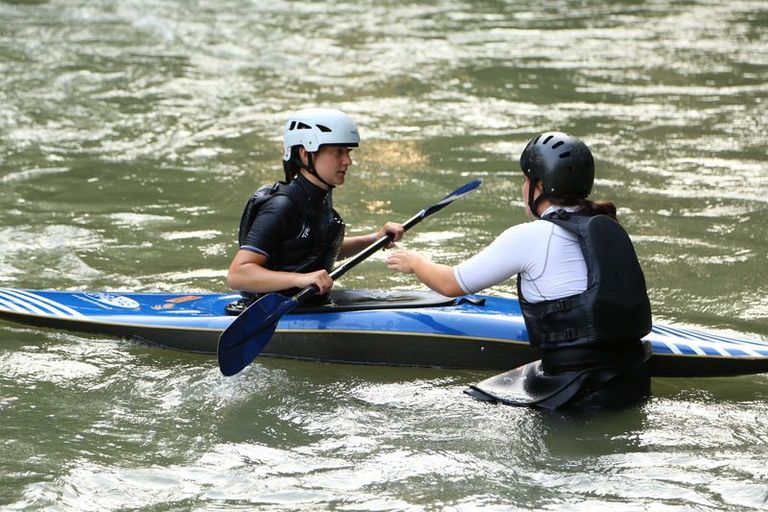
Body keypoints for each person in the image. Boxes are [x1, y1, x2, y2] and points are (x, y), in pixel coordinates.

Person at [386, 132, 653, 410]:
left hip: (577, 393)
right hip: (632, 375)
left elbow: (450, 284)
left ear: (540, 185)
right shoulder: (607, 227)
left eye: (525, 180)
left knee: (463, 402)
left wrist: (416, 262)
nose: (522, 188)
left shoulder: (531, 236)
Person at [226, 107, 404, 307]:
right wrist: (300, 279)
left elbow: (315, 250)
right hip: (272, 310)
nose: (348, 161)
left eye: (347, 152)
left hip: (307, 306)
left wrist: (374, 239)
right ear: (305, 154)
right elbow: (238, 274)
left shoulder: (317, 198)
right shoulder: (282, 207)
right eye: (338, 152)